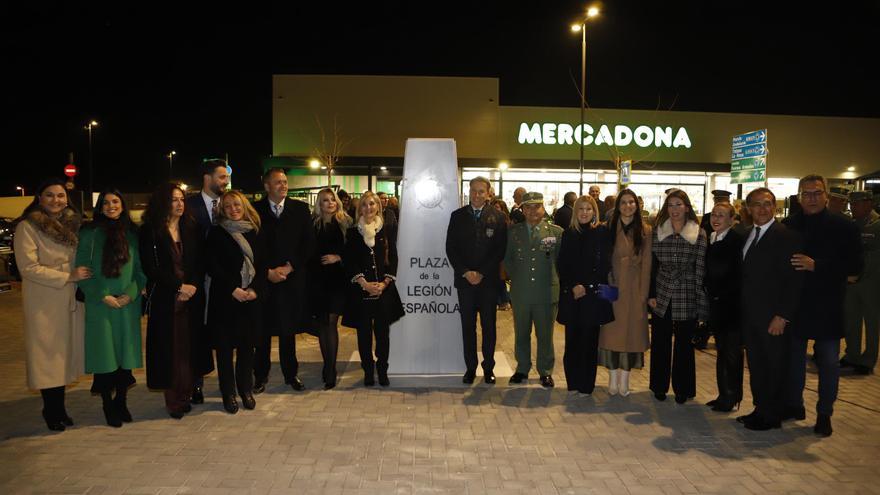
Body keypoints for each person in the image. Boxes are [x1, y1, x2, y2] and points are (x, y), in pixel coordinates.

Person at [781, 175, 862, 437]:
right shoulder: (788, 226)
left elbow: (855, 268)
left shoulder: (844, 226)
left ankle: (824, 413)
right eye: (806, 194)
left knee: (828, 362)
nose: (812, 198)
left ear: (826, 195)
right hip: (795, 305)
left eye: (817, 193)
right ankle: (795, 405)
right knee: (793, 361)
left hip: (828, 305)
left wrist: (818, 265)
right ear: (799, 196)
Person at [14, 178, 90, 431]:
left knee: (64, 356)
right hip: (44, 300)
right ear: (39, 198)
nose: (56, 200)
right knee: (48, 356)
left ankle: (59, 408)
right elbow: (28, 267)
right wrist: (67, 275)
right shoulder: (28, 226)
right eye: (49, 195)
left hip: (70, 298)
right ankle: (52, 410)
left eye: (60, 195)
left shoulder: (75, 225)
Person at [76, 188, 145, 427]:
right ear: (99, 207)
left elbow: (140, 272)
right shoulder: (90, 233)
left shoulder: (133, 234)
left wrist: (131, 294)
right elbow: (83, 270)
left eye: (115, 201)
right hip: (101, 304)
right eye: (105, 203)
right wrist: (102, 295)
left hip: (127, 305)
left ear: (123, 205)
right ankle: (107, 404)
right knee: (104, 357)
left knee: (125, 356)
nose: (110, 206)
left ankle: (122, 402)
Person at [737, 187, 803, 431]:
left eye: (767, 204)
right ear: (748, 209)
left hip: (773, 317)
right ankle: (760, 409)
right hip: (751, 316)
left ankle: (772, 415)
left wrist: (783, 316)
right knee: (757, 365)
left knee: (775, 366)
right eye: (756, 204)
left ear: (774, 207)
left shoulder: (787, 236)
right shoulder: (747, 234)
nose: (762, 209)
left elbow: (794, 282)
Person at [139, 183, 207, 419]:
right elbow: (151, 267)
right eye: (173, 200)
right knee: (170, 351)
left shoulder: (191, 227)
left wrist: (193, 287)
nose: (179, 204)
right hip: (166, 300)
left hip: (191, 299)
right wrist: (179, 287)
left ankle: (186, 393)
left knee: (188, 349)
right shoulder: (151, 231)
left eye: (181, 199)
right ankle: (173, 400)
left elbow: (200, 262)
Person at [252, 168, 314, 393]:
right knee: (262, 332)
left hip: (291, 280)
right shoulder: (254, 210)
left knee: (288, 330)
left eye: (285, 182)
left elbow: (308, 244)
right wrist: (267, 271)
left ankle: (291, 374)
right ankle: (260, 376)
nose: (283, 186)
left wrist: (289, 268)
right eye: (278, 182)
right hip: (264, 280)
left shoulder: (300, 209)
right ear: (267, 186)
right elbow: (251, 246)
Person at [206, 190, 266, 414]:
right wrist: (233, 289)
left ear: (244, 206)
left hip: (250, 300)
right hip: (225, 300)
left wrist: (254, 290)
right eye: (228, 206)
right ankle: (228, 393)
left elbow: (263, 264)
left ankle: (245, 390)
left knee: (246, 349)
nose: (233, 209)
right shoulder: (216, 233)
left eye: (237, 205)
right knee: (224, 351)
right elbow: (212, 265)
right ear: (222, 209)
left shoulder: (255, 232)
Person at [648, 189, 709, 404]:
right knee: (660, 340)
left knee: (684, 343)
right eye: (671, 205)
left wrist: (699, 299)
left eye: (678, 205)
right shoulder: (658, 231)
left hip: (686, 289)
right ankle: (658, 385)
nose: (674, 209)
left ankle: (683, 388)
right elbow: (652, 265)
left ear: (686, 207)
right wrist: (651, 294)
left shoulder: (698, 232)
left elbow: (700, 266)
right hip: (662, 289)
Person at [446, 177, 508, 384]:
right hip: (465, 282)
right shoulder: (457, 216)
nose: (477, 195)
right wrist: (465, 272)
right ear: (468, 191)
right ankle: (470, 367)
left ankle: (488, 367)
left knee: (489, 326)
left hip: (488, 282)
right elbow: (451, 248)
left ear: (488, 193)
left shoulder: (498, 217)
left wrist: (481, 272)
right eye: (473, 191)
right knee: (467, 326)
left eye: (481, 191)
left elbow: (500, 250)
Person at [343, 191, 405, 387]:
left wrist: (385, 283)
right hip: (361, 292)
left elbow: (393, 259)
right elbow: (350, 262)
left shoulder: (386, 231)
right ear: (359, 208)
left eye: (372, 204)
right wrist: (364, 284)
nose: (368, 208)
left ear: (378, 206)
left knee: (382, 335)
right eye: (364, 205)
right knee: (363, 336)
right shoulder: (353, 233)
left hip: (383, 291)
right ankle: (368, 371)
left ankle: (382, 370)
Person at [504, 192, 563, 388]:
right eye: (527, 207)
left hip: (546, 293)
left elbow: (561, 263)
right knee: (521, 332)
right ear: (522, 210)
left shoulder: (555, 233)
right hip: (521, 292)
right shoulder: (514, 232)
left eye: (536, 206)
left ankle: (545, 371)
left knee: (545, 335)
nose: (532, 211)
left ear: (543, 208)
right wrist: (517, 279)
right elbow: (508, 260)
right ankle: (522, 368)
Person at [556, 195, 613, 395]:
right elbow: (562, 265)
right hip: (573, 296)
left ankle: (587, 385)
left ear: (594, 212)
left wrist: (587, 287)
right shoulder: (568, 234)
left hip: (592, 296)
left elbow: (604, 265)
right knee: (572, 342)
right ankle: (573, 382)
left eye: (589, 209)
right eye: (581, 209)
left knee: (589, 342)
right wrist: (574, 285)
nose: (585, 213)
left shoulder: (601, 233)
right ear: (575, 212)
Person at [598, 189, 652, 396]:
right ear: (617, 205)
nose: (628, 206)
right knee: (610, 334)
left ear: (637, 206)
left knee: (632, 336)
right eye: (624, 202)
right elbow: (602, 259)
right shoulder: (608, 228)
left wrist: (643, 295)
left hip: (635, 289)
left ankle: (625, 379)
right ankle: (612, 378)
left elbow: (647, 265)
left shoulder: (646, 230)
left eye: (631, 202)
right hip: (613, 287)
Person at [184, 159, 229, 405]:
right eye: (222, 177)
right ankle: (196, 383)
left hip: (225, 279)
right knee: (197, 332)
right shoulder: (188, 206)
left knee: (223, 331)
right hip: (198, 280)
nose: (226, 182)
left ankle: (228, 383)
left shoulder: (231, 204)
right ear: (207, 177)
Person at [308, 188, 352, 389]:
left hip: (338, 280)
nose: (330, 203)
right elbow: (307, 251)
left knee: (332, 322)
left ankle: (331, 369)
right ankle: (327, 365)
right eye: (325, 200)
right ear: (320, 204)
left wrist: (340, 257)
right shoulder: (313, 224)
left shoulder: (346, 222)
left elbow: (354, 250)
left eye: (332, 200)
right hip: (317, 280)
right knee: (323, 323)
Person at [703, 202, 745, 412]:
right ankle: (724, 394)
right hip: (718, 306)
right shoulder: (713, 237)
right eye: (714, 214)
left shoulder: (735, 241)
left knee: (731, 354)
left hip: (731, 306)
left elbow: (734, 275)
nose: (716, 218)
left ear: (731, 219)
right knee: (722, 351)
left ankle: (732, 397)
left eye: (722, 215)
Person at [842, 191, 880, 375]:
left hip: (872, 283)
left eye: (856, 204)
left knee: (872, 324)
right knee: (851, 320)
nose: (853, 207)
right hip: (852, 281)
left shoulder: (877, 225)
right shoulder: (851, 224)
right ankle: (852, 355)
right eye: (851, 204)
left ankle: (868, 359)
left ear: (868, 204)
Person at [491, 198, 513, 311]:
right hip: (493, 257)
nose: (495, 211)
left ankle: (504, 301)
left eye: (498, 208)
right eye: (493, 208)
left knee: (500, 279)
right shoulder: (489, 222)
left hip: (502, 257)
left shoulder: (507, 224)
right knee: (497, 280)